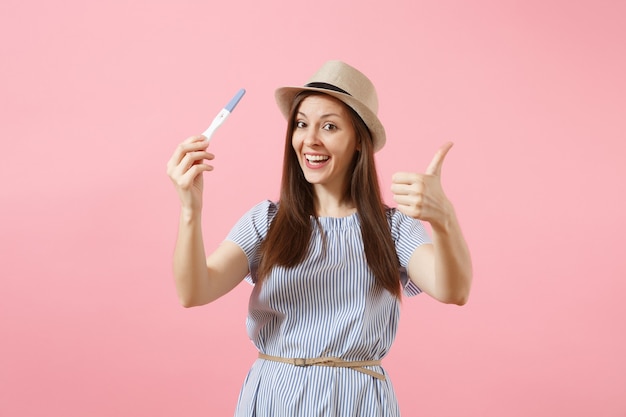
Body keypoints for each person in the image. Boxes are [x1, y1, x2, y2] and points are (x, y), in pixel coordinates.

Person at [166, 60, 472, 416]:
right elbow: (194, 291)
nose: (310, 140)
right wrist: (190, 209)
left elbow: (453, 290)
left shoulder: (394, 229)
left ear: (359, 140)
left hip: (357, 403)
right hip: (274, 399)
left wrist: (444, 218)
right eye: (301, 124)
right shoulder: (266, 222)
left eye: (329, 126)